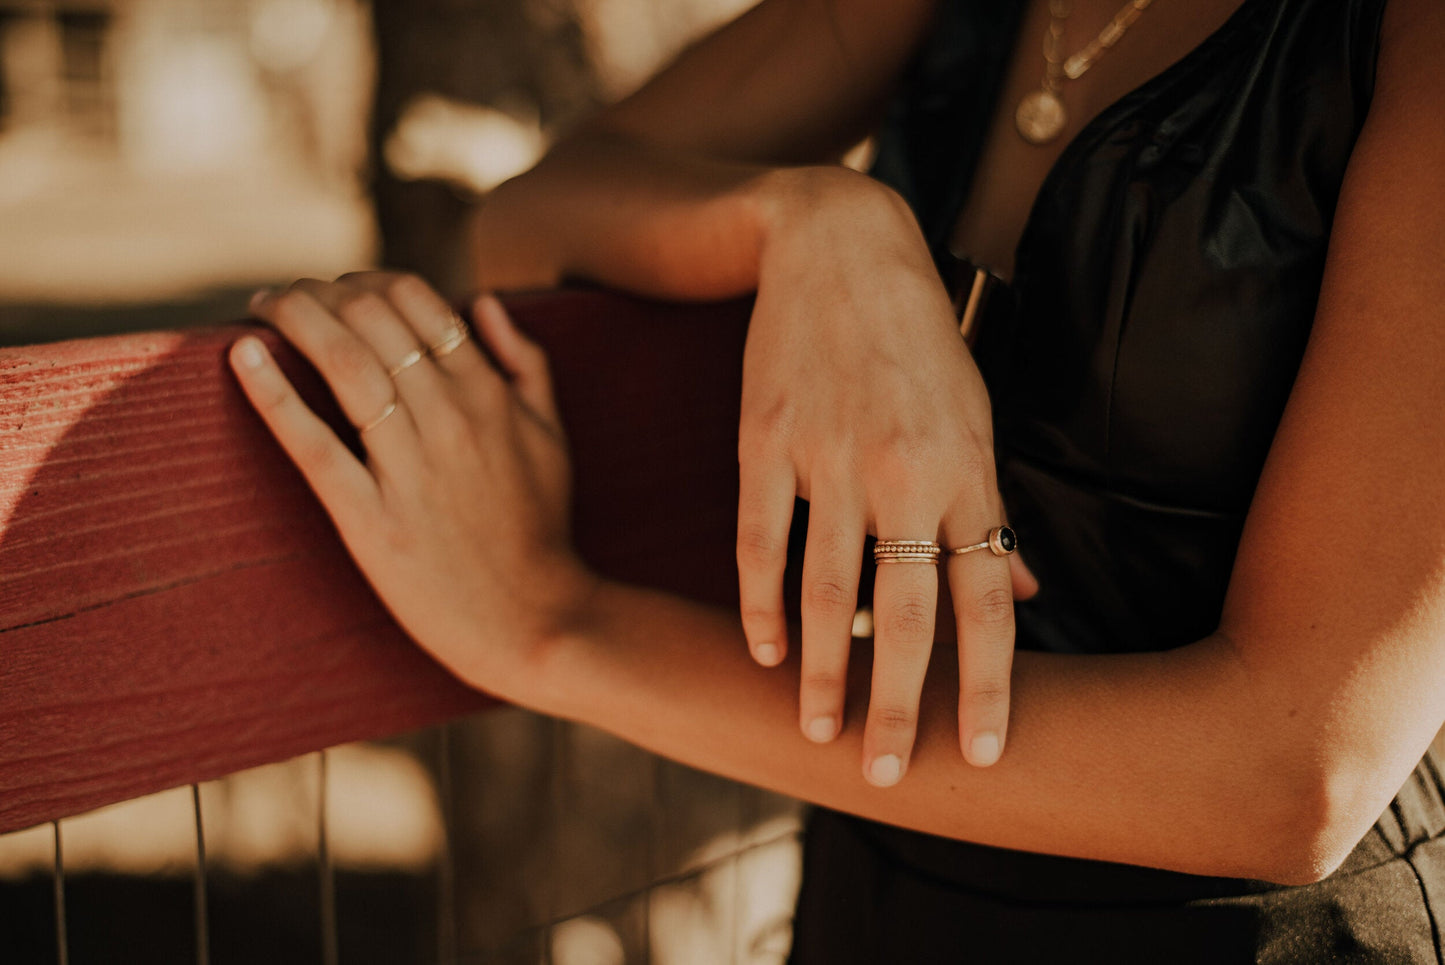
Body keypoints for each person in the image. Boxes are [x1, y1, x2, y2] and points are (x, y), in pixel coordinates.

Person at [227, 0, 1445, 959]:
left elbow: (1294, 773)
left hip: (1253, 937)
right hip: (876, 893)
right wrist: (812, 222)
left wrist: (558, 630)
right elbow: (527, 222)